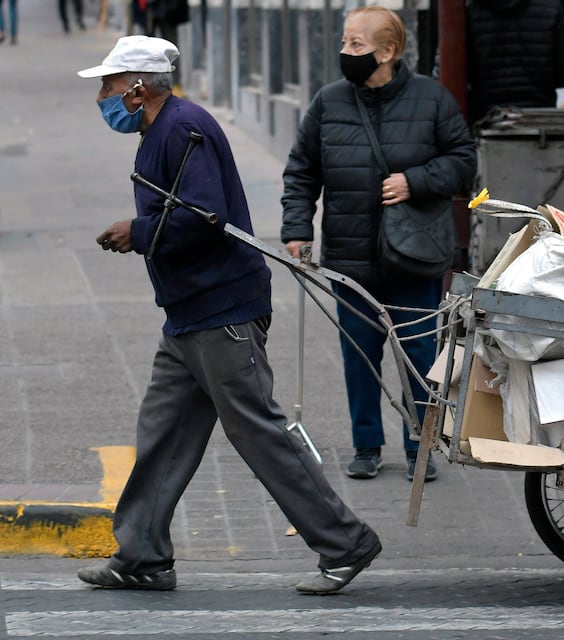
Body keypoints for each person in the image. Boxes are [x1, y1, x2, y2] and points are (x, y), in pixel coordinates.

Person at [74, 35, 381, 595]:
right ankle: (142, 555)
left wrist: (136, 232)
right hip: (191, 312)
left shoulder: (180, 129)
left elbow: (203, 216)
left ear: (138, 88)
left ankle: (345, 542)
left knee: (258, 430)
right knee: (163, 432)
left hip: (222, 311)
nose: (103, 96)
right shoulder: (161, 129)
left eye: (110, 85)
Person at [280, 7, 476, 482]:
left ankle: (419, 445)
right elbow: (302, 171)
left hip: (414, 255)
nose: (345, 52)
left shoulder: (432, 99)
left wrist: (415, 181)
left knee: (419, 359)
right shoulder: (328, 103)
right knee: (359, 356)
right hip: (351, 257)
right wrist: (297, 229)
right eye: (345, 42)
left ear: (387, 52)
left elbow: (463, 162)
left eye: (355, 45)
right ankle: (366, 444)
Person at [465, 0, 564, 123]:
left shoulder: (469, 9)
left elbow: (460, 74)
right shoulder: (552, 6)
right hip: (540, 117)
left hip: (487, 120)